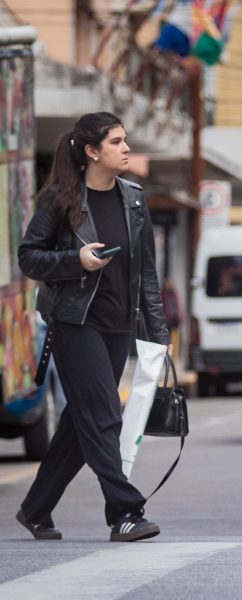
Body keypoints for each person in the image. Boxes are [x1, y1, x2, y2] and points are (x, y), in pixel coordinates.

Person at [15, 112, 170, 543]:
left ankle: (35, 508)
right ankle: (124, 511)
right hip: (75, 321)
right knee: (103, 414)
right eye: (116, 141)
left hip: (118, 324)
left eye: (126, 139)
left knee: (79, 425)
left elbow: (148, 275)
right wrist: (75, 261)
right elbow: (29, 256)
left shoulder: (134, 200)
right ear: (91, 151)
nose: (125, 148)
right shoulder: (61, 199)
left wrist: (158, 334)